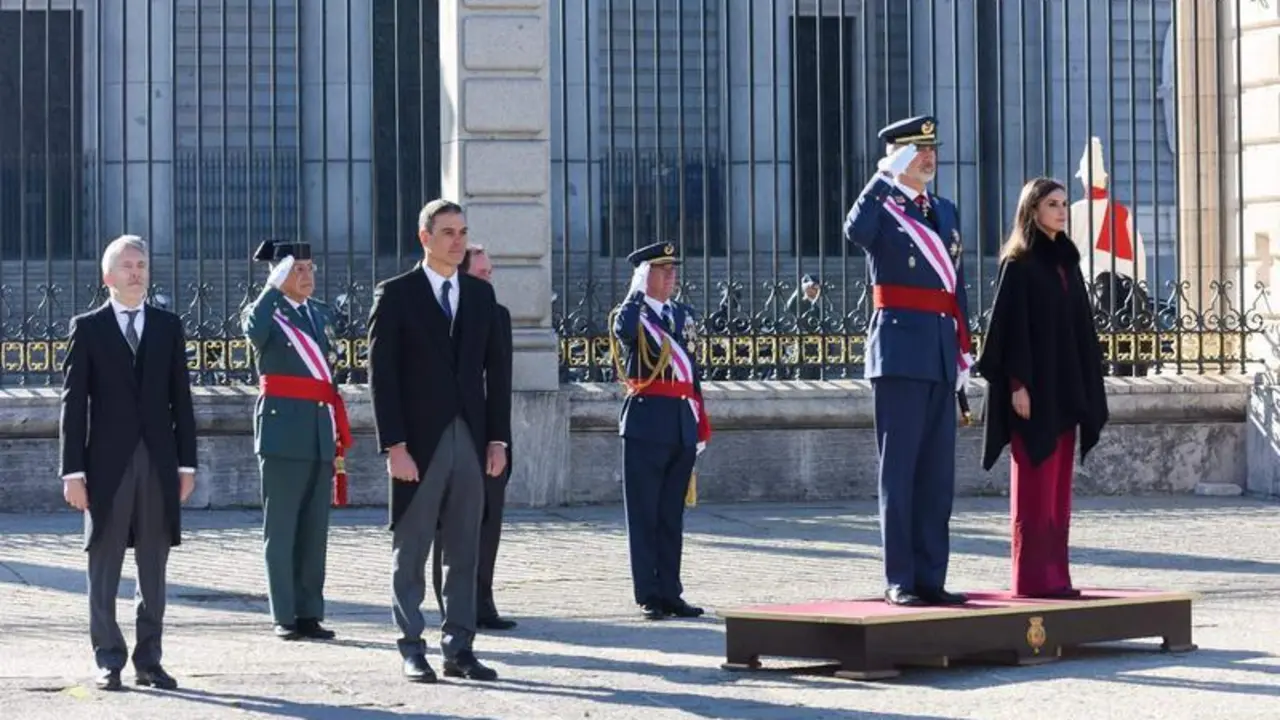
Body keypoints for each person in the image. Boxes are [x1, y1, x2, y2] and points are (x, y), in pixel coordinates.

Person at [368, 199, 511, 683]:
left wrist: (497, 440)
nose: (458, 241)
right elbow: (381, 377)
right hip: (419, 445)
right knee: (411, 549)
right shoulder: (396, 295)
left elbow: (497, 377)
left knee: (464, 549)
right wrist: (395, 446)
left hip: (469, 439)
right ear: (424, 238)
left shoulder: (480, 296)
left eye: (463, 232)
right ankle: (412, 646)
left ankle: (460, 646)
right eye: (448, 232)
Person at [842, 115, 972, 607]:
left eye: (932, 149)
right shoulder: (884, 208)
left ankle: (931, 575)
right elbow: (855, 230)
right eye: (918, 151)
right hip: (898, 350)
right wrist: (882, 177)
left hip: (939, 350)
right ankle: (900, 577)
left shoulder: (944, 210)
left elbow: (954, 284)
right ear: (898, 157)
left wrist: (962, 344)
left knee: (937, 474)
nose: (929, 157)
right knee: (899, 472)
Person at [59, 234, 198, 691]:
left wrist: (187, 465)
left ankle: (149, 659)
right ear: (108, 277)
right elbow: (73, 403)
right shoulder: (89, 328)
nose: (136, 272)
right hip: (106, 466)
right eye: (127, 265)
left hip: (158, 464)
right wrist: (72, 472)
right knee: (104, 564)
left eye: (141, 264)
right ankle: (108, 657)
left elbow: (182, 399)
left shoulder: (167, 326)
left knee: (154, 566)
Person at [975, 177, 1110, 598]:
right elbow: (1009, 330)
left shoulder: (1067, 262)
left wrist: (1086, 386)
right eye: (1053, 204)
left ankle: (1058, 578)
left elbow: (1080, 331)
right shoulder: (1019, 262)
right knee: (1034, 489)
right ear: (1032, 210)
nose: (1062, 211)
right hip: (1032, 393)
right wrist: (1017, 385)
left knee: (1057, 494)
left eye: (1064, 203)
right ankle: (1031, 581)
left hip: (1065, 391)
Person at [241, 239, 351, 641]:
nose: (306, 276)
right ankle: (284, 614)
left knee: (314, 528)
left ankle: (310, 612)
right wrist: (271, 289)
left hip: (320, 431)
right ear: (279, 275)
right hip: (282, 431)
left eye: (310, 268)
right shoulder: (264, 312)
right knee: (282, 525)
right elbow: (255, 332)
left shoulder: (320, 314)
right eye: (296, 269)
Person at [609, 241, 711, 621]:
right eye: (661, 270)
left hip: (680, 422)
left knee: (671, 515)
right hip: (646, 421)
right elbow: (624, 331)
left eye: (673, 269)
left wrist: (699, 421)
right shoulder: (632, 314)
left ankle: (671, 591)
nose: (671, 276)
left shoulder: (681, 314)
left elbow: (692, 372)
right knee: (644, 513)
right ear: (643, 276)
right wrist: (636, 295)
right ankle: (648, 593)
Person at [431, 244, 518, 631]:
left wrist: (499, 438)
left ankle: (483, 601)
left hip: (488, 437)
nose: (489, 279)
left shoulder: (498, 316)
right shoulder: (439, 315)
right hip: (445, 436)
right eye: (482, 274)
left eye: (490, 272)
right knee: (446, 525)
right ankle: (451, 605)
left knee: (488, 522)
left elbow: (501, 382)